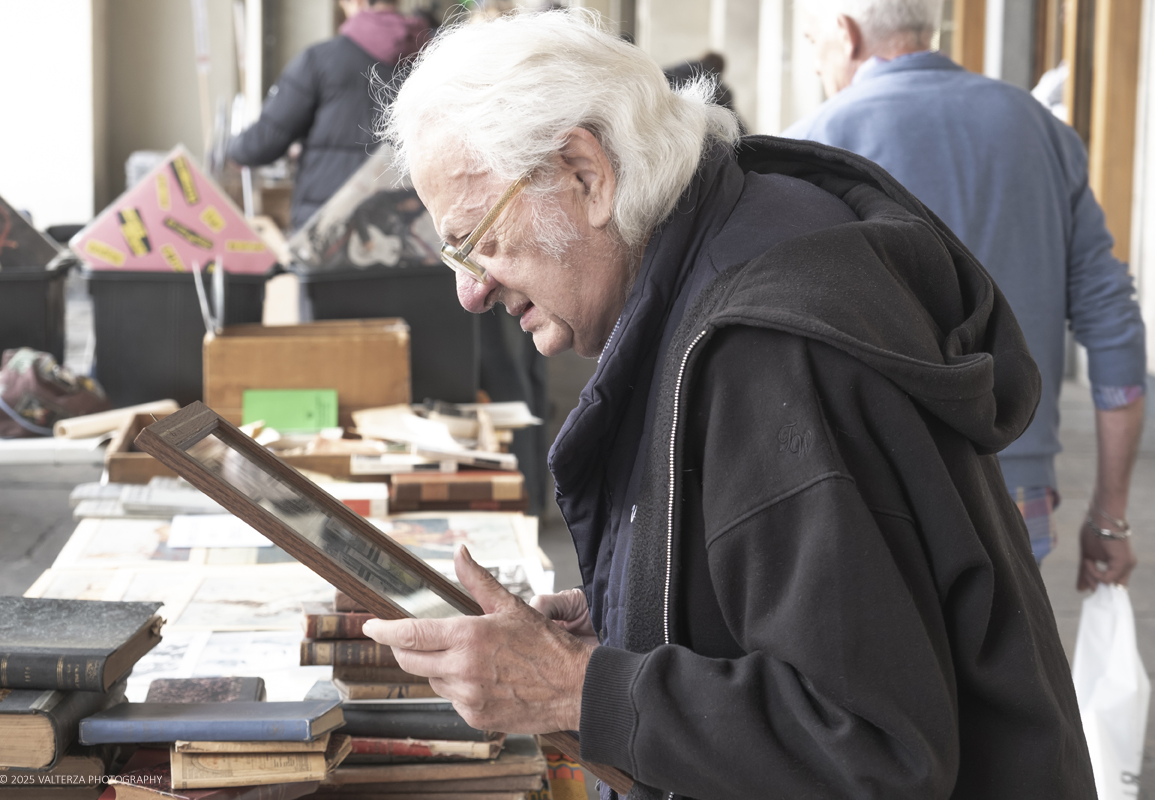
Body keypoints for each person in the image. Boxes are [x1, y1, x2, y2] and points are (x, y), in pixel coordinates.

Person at [360, 11, 1093, 799]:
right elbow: (801, 602)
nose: (470, 291)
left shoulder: (761, 355)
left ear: (585, 174)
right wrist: (632, 618)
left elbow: (873, 752)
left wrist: (577, 687)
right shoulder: (738, 232)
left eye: (480, 242)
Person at [784, 0, 1146, 592]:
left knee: (886, 679)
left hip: (866, 489)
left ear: (846, 37)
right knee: (1013, 672)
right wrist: (1109, 518)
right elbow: (1114, 328)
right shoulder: (1044, 131)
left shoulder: (810, 148)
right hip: (1014, 481)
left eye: (812, 41)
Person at [228, 0, 430, 231]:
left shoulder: (320, 59)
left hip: (327, 226)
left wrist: (232, 149)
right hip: (408, 223)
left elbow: (263, 143)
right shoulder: (435, 58)